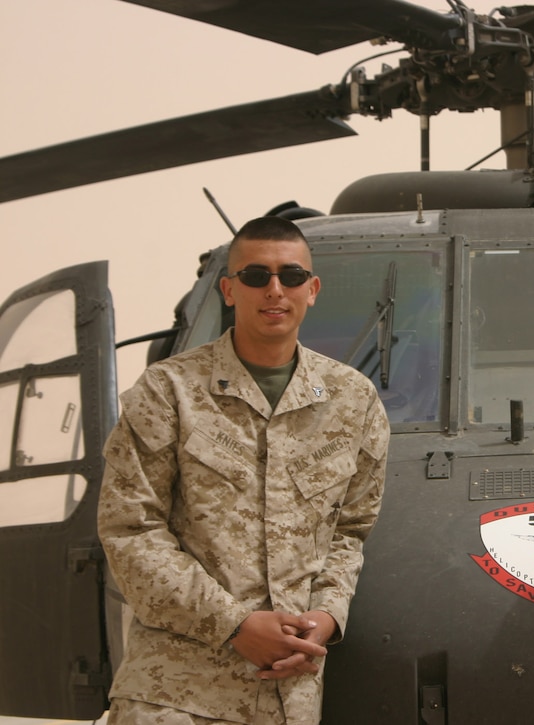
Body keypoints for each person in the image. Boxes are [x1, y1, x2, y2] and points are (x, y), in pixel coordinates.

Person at [98, 216, 390, 724]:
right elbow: (130, 531)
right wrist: (234, 625)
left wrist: (326, 616)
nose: (275, 290)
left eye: (291, 276)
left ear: (312, 289)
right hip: (174, 695)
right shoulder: (169, 393)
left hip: (287, 695)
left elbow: (349, 530)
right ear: (229, 289)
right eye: (256, 276)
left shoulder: (354, 401)